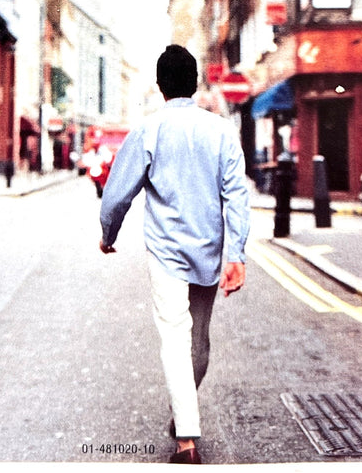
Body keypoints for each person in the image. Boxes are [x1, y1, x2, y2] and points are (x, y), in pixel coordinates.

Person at [99, 45, 250, 464]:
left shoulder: (150, 129)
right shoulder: (221, 131)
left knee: (175, 337)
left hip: (166, 252)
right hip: (207, 250)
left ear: (161, 86)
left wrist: (108, 233)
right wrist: (236, 253)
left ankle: (186, 439)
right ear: (196, 82)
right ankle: (184, 421)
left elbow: (117, 194)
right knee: (197, 340)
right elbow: (237, 195)